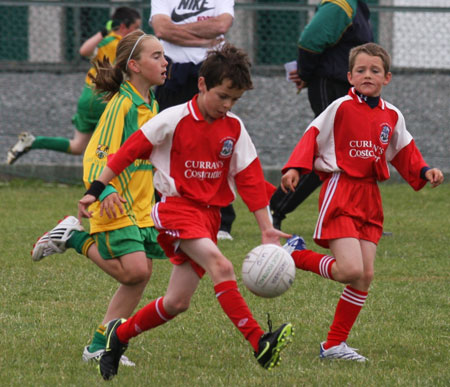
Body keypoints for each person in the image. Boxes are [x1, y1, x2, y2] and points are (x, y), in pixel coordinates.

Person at [78, 43, 294, 380]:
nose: (227, 105)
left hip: (208, 217)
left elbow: (249, 179)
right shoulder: (173, 119)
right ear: (203, 84)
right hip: (176, 210)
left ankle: (117, 337)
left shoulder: (234, 128)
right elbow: (125, 152)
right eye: (222, 96)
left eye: (234, 100)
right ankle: (259, 343)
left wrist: (266, 227)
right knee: (221, 265)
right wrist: (96, 189)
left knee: (177, 303)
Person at [281, 43, 444, 362]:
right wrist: (295, 167)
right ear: (349, 76)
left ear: (387, 77)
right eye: (361, 70)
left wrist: (425, 171)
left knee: (364, 275)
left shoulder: (392, 114)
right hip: (341, 189)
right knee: (349, 269)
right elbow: (311, 135)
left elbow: (404, 150)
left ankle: (333, 346)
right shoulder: (340, 107)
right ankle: (295, 254)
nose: (367, 75)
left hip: (370, 196)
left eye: (374, 70)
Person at [31, 30, 169, 366]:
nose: (166, 62)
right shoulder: (121, 105)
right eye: (157, 57)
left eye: (164, 56)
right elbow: (96, 154)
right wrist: (103, 189)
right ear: (134, 65)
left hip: (140, 205)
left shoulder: (150, 102)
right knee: (134, 271)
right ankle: (74, 237)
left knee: (142, 273)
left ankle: (99, 345)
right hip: (113, 199)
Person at [270, 0, 373, 230]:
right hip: (331, 87)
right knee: (327, 153)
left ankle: (358, 218)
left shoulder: (358, 6)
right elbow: (310, 41)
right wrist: (306, 73)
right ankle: (276, 207)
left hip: (347, 89)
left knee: (355, 152)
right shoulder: (341, 4)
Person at [6, 7, 142, 165]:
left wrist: (103, 32)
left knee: (78, 146)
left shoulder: (106, 41)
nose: (138, 31)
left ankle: (33, 142)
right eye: (136, 27)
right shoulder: (119, 44)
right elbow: (85, 51)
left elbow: (86, 50)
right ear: (124, 26)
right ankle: (102, 174)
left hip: (88, 96)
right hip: (103, 98)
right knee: (112, 140)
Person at [150, 0, 237, 240]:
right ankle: (165, 211)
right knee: (168, 142)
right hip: (173, 73)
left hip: (211, 73)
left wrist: (179, 30)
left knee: (216, 143)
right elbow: (161, 30)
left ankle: (221, 219)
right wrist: (201, 40)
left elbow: (222, 25)